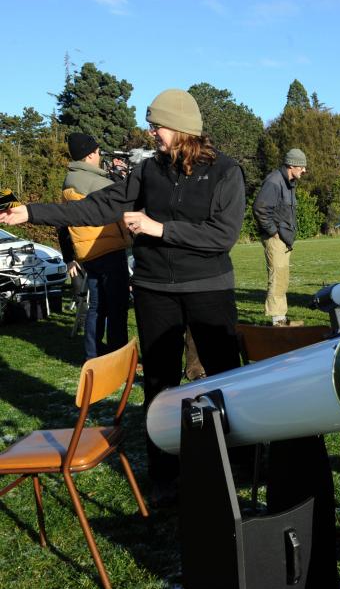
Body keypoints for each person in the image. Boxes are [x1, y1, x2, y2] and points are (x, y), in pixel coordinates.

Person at [0, 88, 245, 493]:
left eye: (157, 126)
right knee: (159, 385)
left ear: (183, 128)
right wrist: (31, 212)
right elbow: (96, 207)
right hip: (153, 290)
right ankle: (164, 473)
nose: (151, 134)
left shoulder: (225, 172)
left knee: (224, 378)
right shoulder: (148, 171)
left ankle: (236, 463)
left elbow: (223, 235)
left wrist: (159, 228)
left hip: (208, 288)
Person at [57, 132, 130, 360]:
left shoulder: (71, 179)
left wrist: (69, 255)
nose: (100, 157)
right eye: (98, 152)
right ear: (90, 155)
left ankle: (93, 354)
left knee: (97, 305)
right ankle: (119, 356)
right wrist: (122, 176)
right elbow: (124, 198)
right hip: (106, 247)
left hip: (88, 252)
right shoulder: (96, 182)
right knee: (117, 307)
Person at [253, 148, 307, 326]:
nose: (304, 171)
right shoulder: (274, 181)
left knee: (283, 277)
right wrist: (273, 232)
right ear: (292, 165)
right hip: (276, 238)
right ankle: (277, 321)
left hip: (284, 239)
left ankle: (281, 318)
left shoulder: (288, 182)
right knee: (277, 277)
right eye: (302, 167)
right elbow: (260, 209)